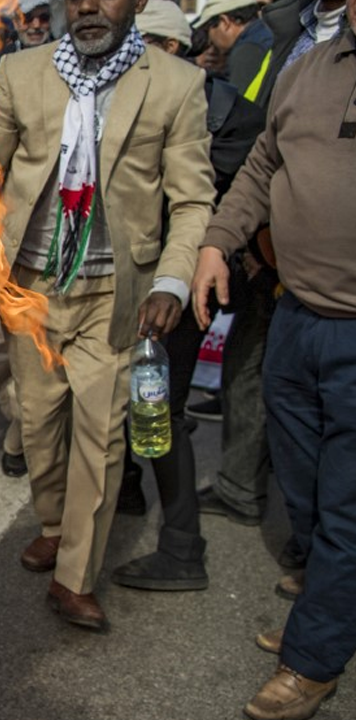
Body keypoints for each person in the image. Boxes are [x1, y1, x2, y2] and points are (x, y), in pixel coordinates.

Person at [0, 0, 215, 630]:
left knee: (103, 440)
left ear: (136, 3)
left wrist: (171, 278)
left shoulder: (177, 84)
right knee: (37, 422)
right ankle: (55, 524)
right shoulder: (19, 74)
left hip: (117, 293)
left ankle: (74, 576)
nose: (88, 6)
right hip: (29, 288)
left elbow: (191, 199)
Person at [192, 0, 356, 715]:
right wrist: (213, 243)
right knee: (306, 483)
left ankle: (312, 658)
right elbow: (261, 165)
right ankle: (332, 593)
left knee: (347, 507)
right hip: (296, 317)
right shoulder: (310, 68)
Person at [108, 0, 266, 592]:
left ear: (173, 49)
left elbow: (216, 208)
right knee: (121, 396)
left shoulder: (225, 114)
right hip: (135, 278)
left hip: (189, 286)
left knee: (160, 409)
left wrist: (185, 275)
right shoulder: (128, 100)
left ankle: (182, 550)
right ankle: (124, 490)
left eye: (143, 44)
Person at [194, 0, 275, 96]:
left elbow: (234, 104)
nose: (211, 44)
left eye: (208, 31)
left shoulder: (247, 50)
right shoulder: (267, 33)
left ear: (225, 22)